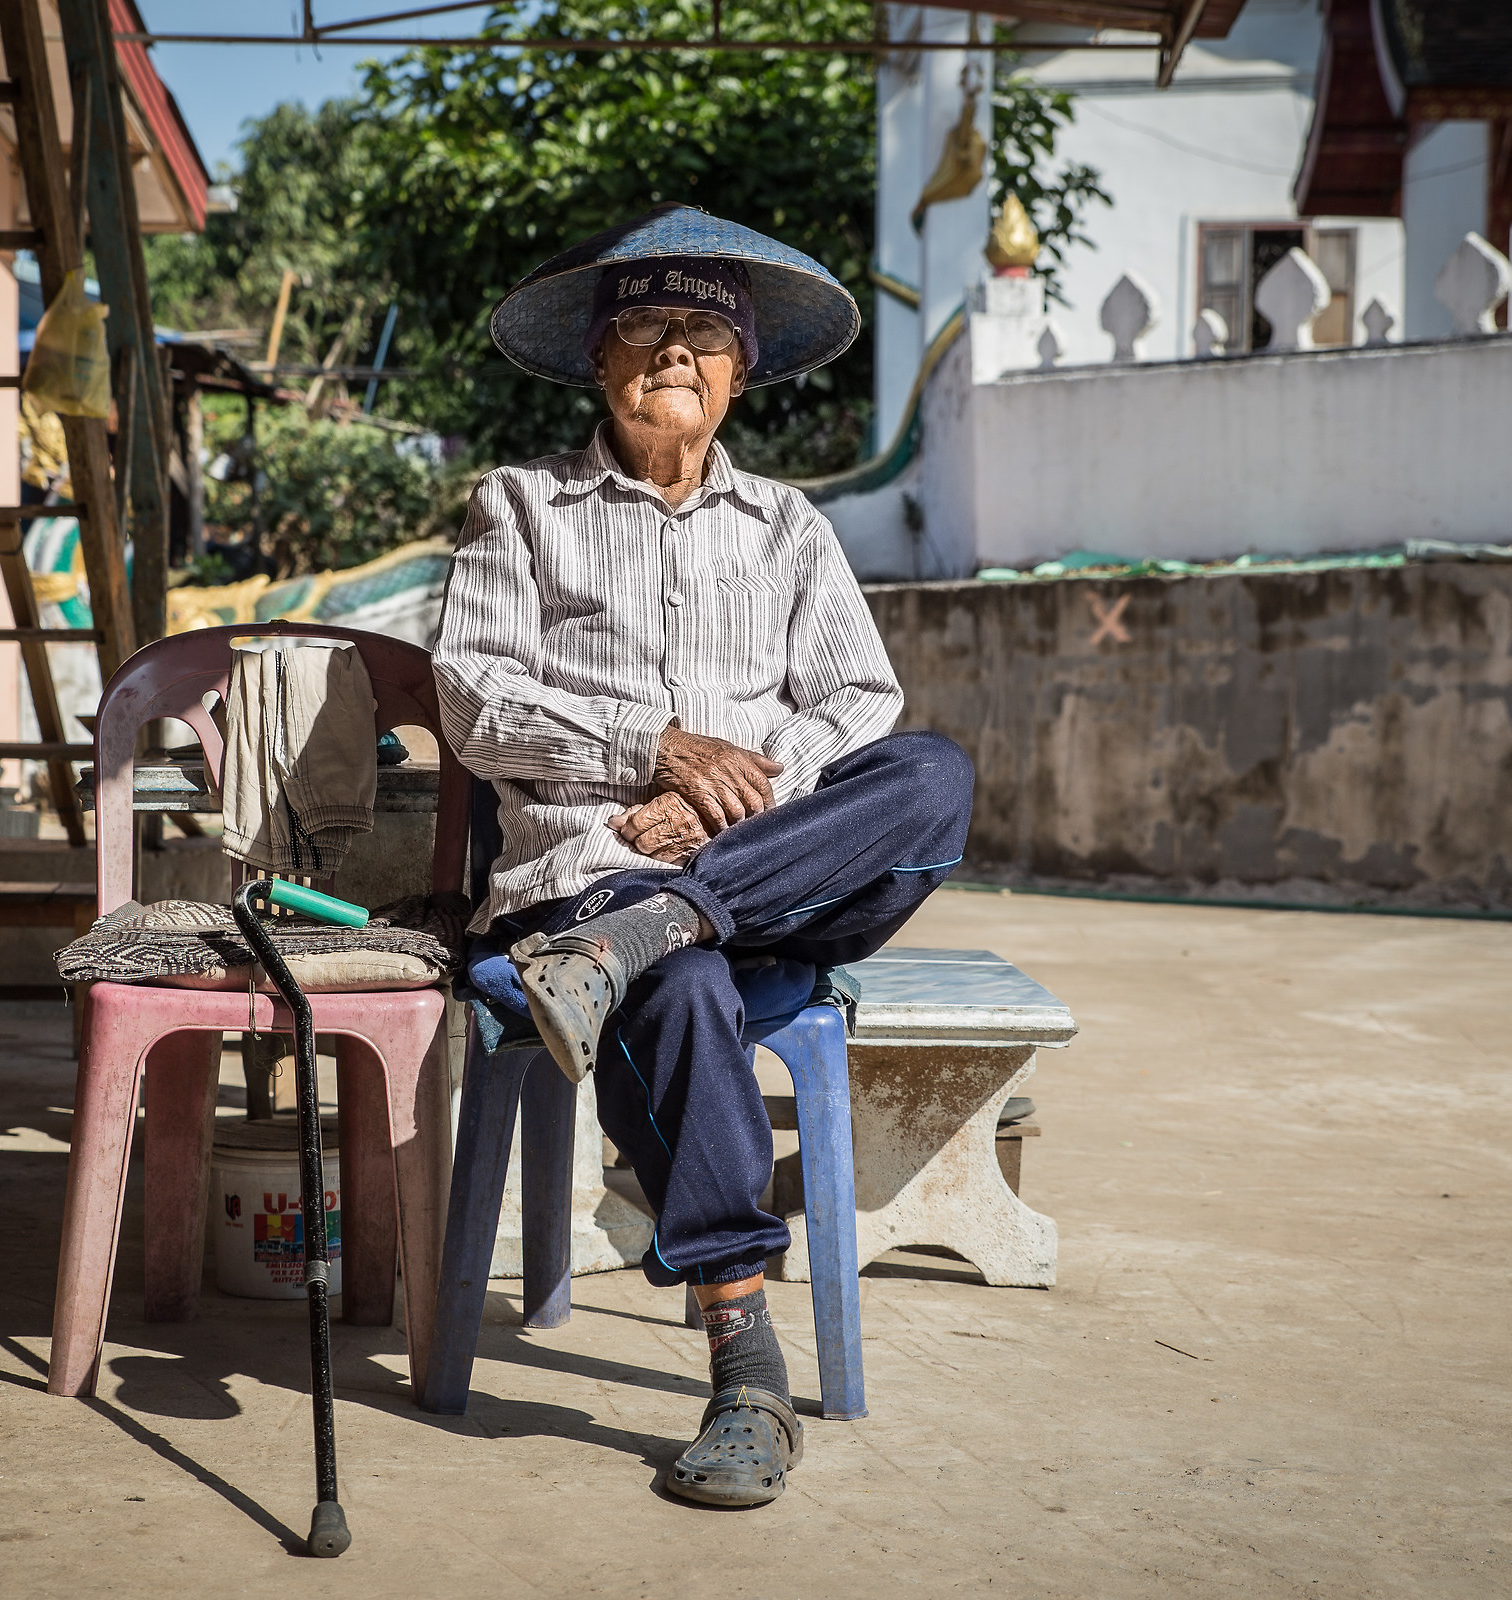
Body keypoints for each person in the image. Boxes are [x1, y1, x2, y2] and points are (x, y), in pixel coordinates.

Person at [434, 203, 974, 1507]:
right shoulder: (522, 508)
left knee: (934, 776)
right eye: (647, 328)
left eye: (704, 333)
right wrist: (654, 749)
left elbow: (860, 701)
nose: (676, 350)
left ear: (739, 371)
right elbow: (472, 701)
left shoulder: (788, 528)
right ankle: (743, 1359)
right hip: (577, 887)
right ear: (597, 364)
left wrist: (736, 799)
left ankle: (661, 922)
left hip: (755, 876)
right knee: (673, 982)